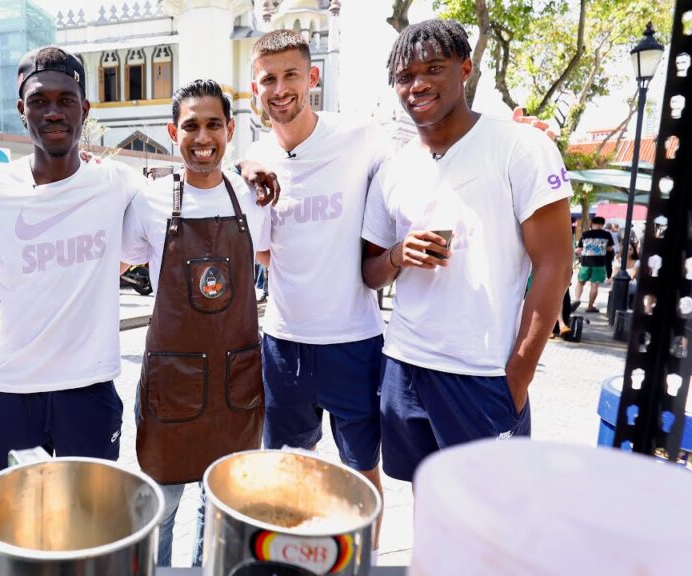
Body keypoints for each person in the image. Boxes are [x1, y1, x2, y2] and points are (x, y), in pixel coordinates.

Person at [360, 19, 573, 483]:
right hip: (405, 368)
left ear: (465, 68)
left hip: (483, 375)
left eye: (433, 68)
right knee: (429, 501)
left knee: (492, 518)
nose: (417, 84)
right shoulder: (393, 170)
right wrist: (398, 255)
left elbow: (555, 263)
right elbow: (370, 273)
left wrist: (518, 376)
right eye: (404, 76)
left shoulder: (521, 145)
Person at [0, 47, 146, 475]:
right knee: (11, 534)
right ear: (20, 111)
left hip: (89, 390)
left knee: (91, 533)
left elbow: (192, 190)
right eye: (39, 101)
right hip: (12, 390)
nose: (53, 112)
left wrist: (251, 164)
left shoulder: (117, 182)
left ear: (84, 108)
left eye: (65, 100)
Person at [238, 29, 389, 541]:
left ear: (313, 78)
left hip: (354, 342)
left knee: (360, 478)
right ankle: (293, 562)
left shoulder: (361, 137)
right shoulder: (255, 157)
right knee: (286, 476)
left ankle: (360, 564)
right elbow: (261, 251)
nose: (280, 89)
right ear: (254, 88)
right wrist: (243, 163)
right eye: (268, 79)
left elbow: (426, 157)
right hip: (283, 344)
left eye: (291, 76)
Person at [121, 79, 273, 566]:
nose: (202, 136)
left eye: (213, 125)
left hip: (237, 384)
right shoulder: (148, 200)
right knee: (160, 508)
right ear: (173, 131)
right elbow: (118, 264)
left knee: (222, 505)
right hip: (174, 386)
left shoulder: (252, 198)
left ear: (230, 130)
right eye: (191, 125)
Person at [573, 216, 614, 313]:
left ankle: (577, 299)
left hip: (585, 262)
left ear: (592, 223)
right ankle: (590, 306)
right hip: (600, 263)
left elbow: (579, 249)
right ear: (602, 224)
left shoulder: (585, 234)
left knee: (580, 282)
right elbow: (610, 249)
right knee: (594, 285)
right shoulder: (606, 234)